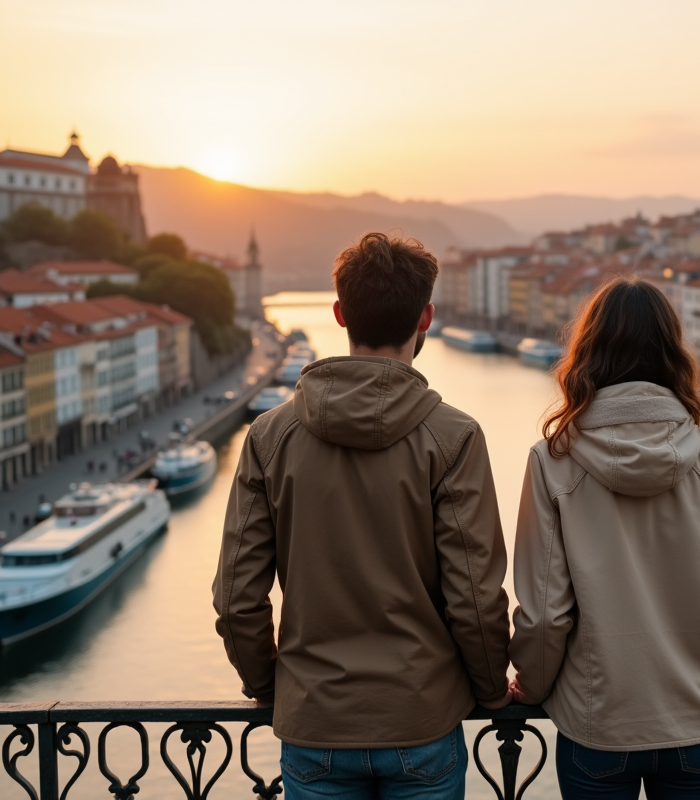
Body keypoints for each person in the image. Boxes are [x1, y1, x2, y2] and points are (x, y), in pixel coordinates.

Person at [213, 232, 512, 800]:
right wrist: (492, 689)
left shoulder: (270, 436)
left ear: (340, 313)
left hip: (315, 720)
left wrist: (270, 686)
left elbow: (235, 597)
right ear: (425, 316)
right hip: (421, 718)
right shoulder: (454, 437)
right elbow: (474, 595)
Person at [508, 278, 700, 800]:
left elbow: (543, 613)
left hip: (598, 724)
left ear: (587, 353)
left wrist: (533, 687)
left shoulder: (552, 460)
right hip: (695, 722)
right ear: (673, 353)